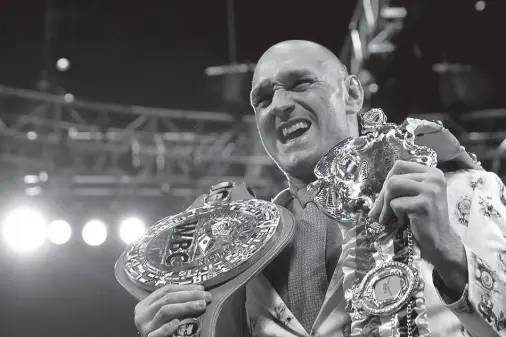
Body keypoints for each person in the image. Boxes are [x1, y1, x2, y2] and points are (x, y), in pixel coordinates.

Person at [133, 40, 506, 337]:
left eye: (300, 84)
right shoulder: (235, 252)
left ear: (353, 95)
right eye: (262, 98)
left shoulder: (458, 191)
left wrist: (448, 254)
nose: (279, 105)